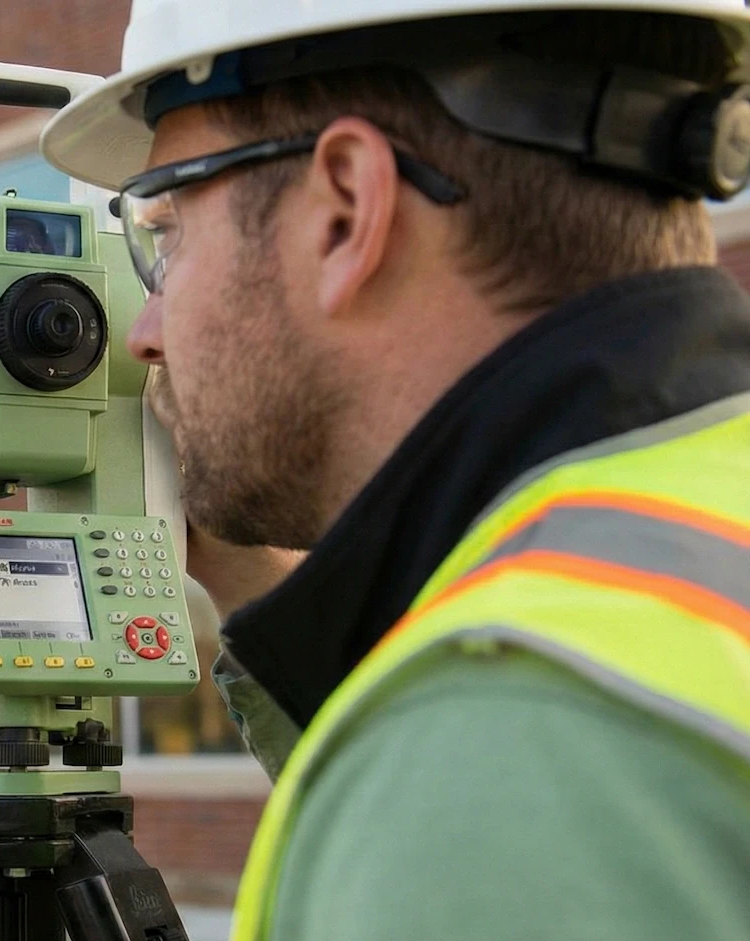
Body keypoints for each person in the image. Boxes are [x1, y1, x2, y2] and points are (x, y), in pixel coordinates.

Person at [39, 2, 750, 939]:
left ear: (344, 210)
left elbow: (485, 797)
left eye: (167, 232)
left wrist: (423, 759)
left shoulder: (498, 748)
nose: (144, 331)